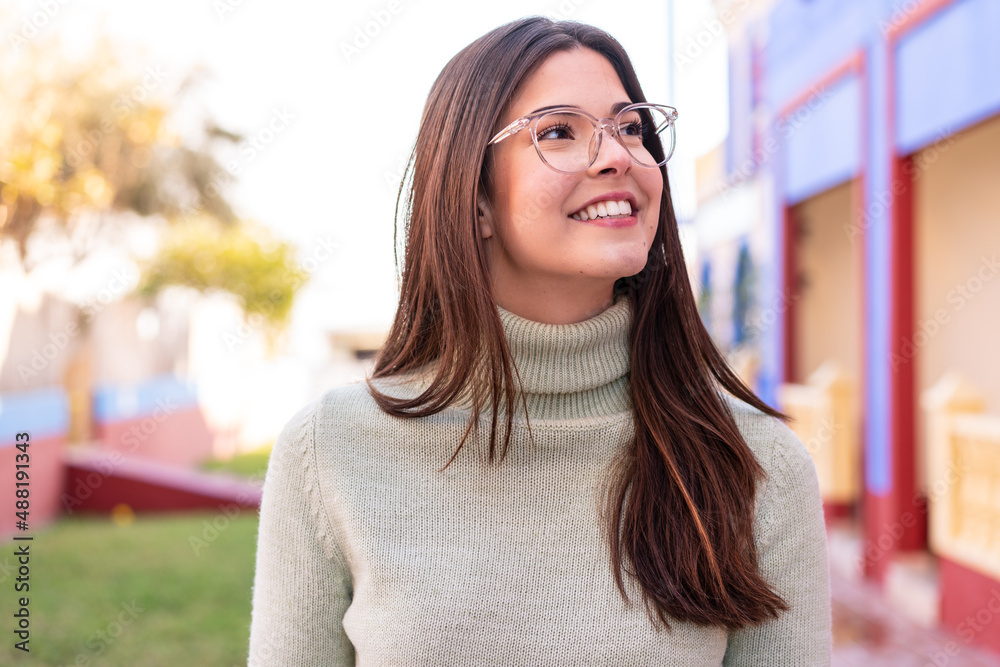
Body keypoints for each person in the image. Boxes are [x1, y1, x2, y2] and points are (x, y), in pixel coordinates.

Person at [248, 16, 831, 666]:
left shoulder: (758, 467)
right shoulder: (329, 453)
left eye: (631, 128)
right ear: (475, 201)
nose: (617, 156)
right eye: (558, 131)